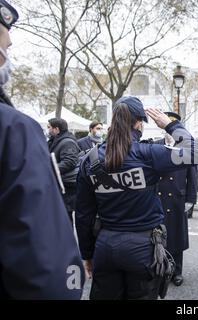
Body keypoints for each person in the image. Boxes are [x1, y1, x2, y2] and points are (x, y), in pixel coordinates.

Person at [75, 96, 198, 300]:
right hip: (142, 247)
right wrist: (171, 125)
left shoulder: (90, 159)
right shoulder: (147, 153)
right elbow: (195, 153)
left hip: (105, 246)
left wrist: (87, 254)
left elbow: (83, 215)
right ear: (138, 123)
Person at [0, 0, 84, 299]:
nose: (6, 57)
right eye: (5, 49)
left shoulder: (66, 142)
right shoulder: (15, 129)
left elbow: (69, 162)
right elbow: (43, 257)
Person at [155, 111, 197, 287]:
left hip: (177, 199)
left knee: (176, 236)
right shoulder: (155, 145)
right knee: (158, 237)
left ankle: (176, 271)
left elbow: (192, 175)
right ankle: (160, 270)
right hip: (157, 198)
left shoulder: (185, 147)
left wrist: (190, 199)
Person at [47, 117, 81, 223]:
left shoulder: (67, 142)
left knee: (66, 217)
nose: (48, 130)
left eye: (49, 127)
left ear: (56, 129)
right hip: (62, 185)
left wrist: (50, 168)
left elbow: (69, 162)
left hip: (67, 187)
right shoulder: (55, 141)